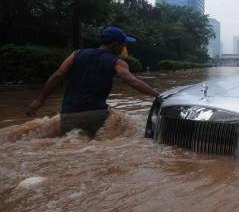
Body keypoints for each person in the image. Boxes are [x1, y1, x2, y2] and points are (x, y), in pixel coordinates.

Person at [26, 26, 160, 136]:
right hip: (96, 116)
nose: (124, 48)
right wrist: (156, 94)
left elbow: (57, 76)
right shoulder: (118, 62)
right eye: (123, 45)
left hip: (67, 116)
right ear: (114, 45)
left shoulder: (76, 54)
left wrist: (39, 101)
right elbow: (132, 80)